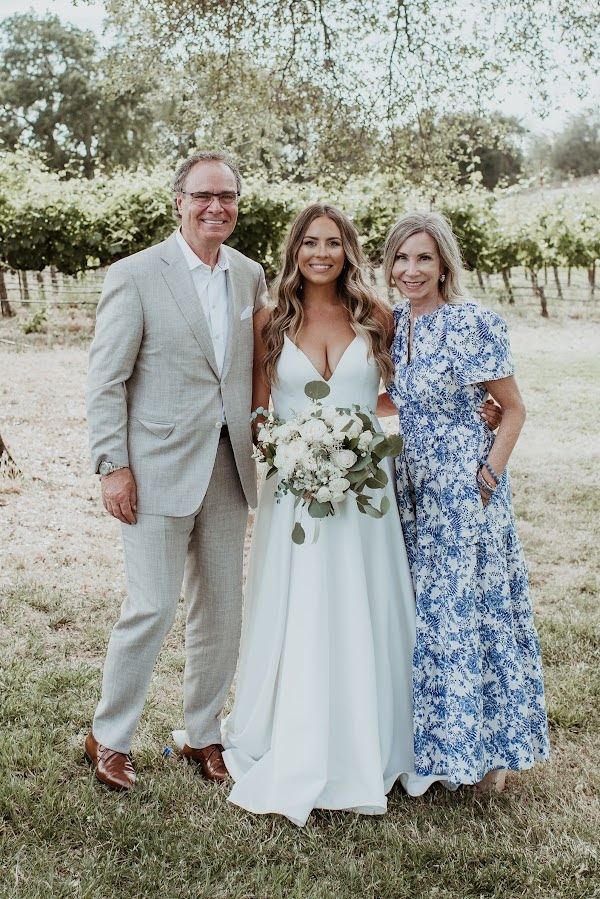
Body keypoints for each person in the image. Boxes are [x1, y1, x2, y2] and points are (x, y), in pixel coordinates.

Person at [173, 203, 463, 825]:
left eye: (333, 242)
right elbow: (256, 410)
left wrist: (478, 413)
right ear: (294, 251)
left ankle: (379, 738)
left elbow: (403, 394)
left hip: (367, 492)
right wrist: (288, 453)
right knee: (299, 601)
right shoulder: (268, 320)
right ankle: (293, 731)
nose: (322, 253)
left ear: (348, 250)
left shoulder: (378, 317)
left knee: (368, 598)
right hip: (295, 488)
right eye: (310, 242)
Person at [84, 151, 267, 790]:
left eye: (228, 196)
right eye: (203, 196)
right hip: (154, 466)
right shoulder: (135, 275)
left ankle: (203, 734)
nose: (216, 206)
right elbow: (107, 378)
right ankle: (109, 738)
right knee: (153, 605)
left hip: (229, 467)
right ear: (179, 202)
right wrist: (113, 466)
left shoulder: (250, 276)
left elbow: (257, 371)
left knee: (221, 609)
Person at [377, 211, 550, 793]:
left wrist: (486, 476)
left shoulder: (473, 322)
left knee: (468, 617)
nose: (411, 269)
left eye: (423, 257)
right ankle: (433, 752)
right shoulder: (389, 324)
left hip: (460, 491)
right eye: (401, 258)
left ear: (444, 261)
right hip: (408, 488)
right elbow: (388, 401)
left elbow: (514, 408)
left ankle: (491, 760)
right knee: (424, 620)